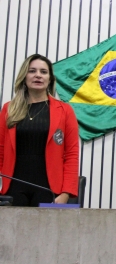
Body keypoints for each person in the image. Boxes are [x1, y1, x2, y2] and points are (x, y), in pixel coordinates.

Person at [0, 54, 79, 206]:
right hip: (13, 189)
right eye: (32, 71)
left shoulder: (65, 111)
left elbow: (71, 155)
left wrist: (65, 193)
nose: (38, 75)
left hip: (50, 190)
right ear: (24, 76)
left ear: (50, 79)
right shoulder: (8, 109)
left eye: (43, 72)